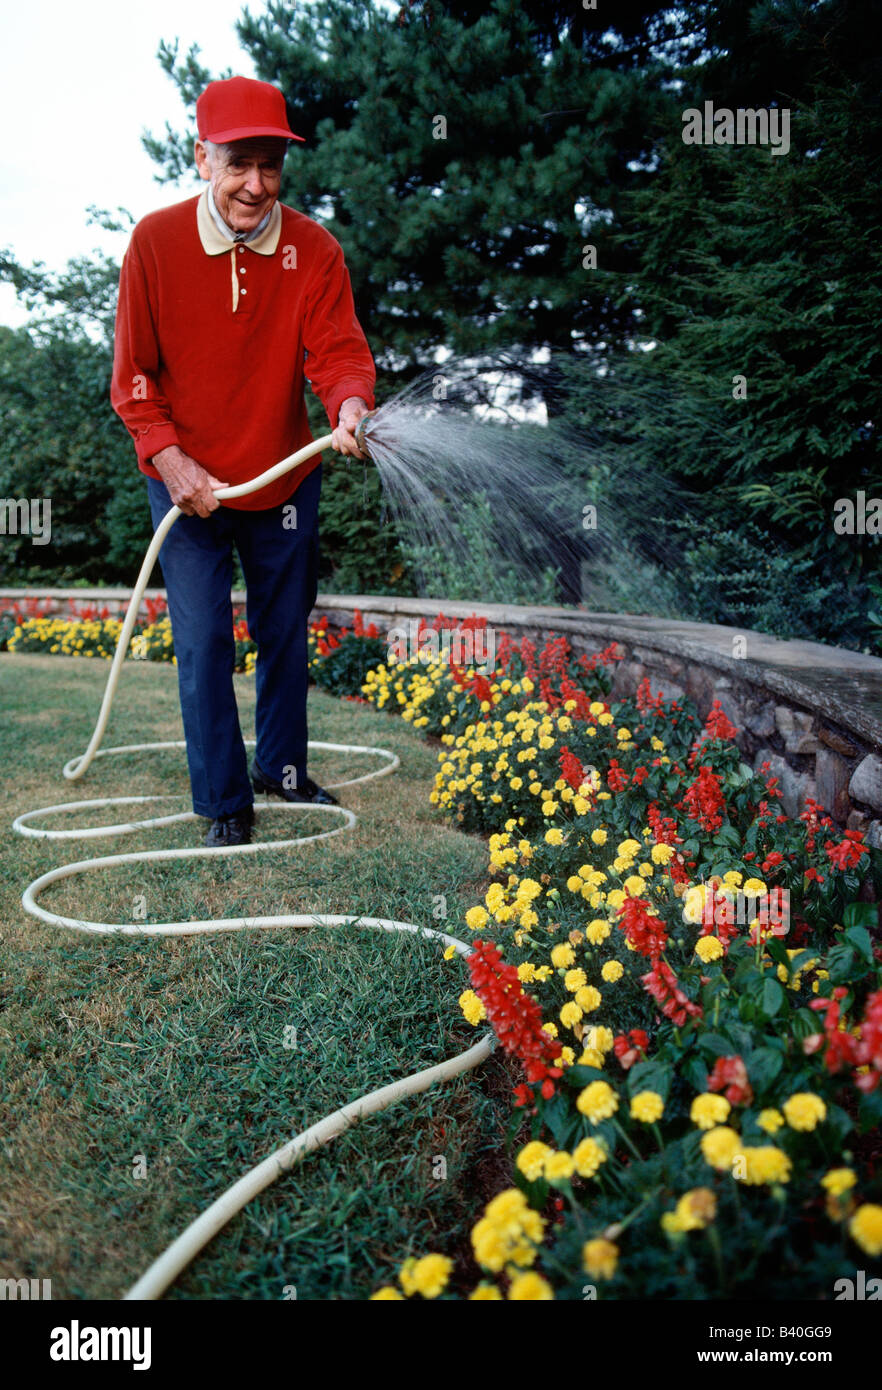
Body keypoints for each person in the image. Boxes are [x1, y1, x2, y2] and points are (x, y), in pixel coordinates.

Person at [111, 75, 375, 846]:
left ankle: (283, 771)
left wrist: (349, 405)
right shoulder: (153, 245)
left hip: (282, 475)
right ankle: (225, 802)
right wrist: (171, 460)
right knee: (202, 641)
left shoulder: (315, 249)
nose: (255, 186)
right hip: (184, 482)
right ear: (202, 158)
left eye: (270, 166)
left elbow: (338, 353)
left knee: (285, 629)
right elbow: (133, 380)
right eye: (237, 164)